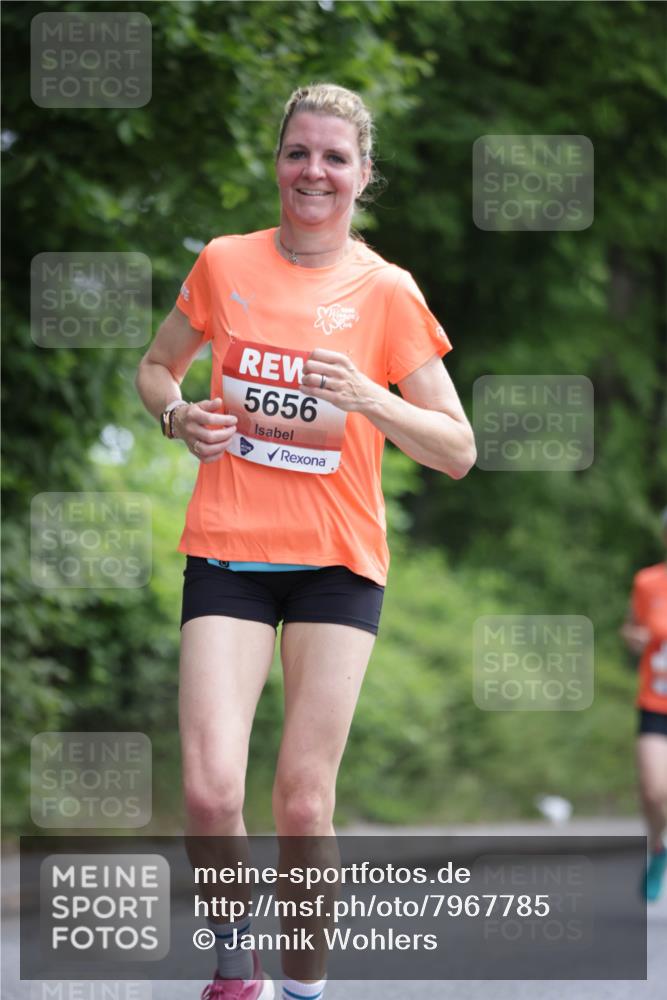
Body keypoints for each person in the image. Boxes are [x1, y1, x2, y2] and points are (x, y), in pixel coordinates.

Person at [135, 82, 476, 1000]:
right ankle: (235, 966)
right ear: (277, 161)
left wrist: (370, 396)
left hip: (335, 568)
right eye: (298, 152)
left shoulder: (386, 292)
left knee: (301, 802)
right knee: (209, 790)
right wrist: (178, 419)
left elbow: (457, 450)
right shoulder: (223, 261)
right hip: (228, 555)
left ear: (363, 176)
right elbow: (158, 365)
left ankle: (304, 989)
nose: (313, 170)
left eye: (334, 157)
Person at [620, 507, 667, 902]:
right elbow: (632, 625)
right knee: (654, 791)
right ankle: (658, 848)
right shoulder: (648, 582)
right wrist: (634, 637)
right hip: (655, 702)